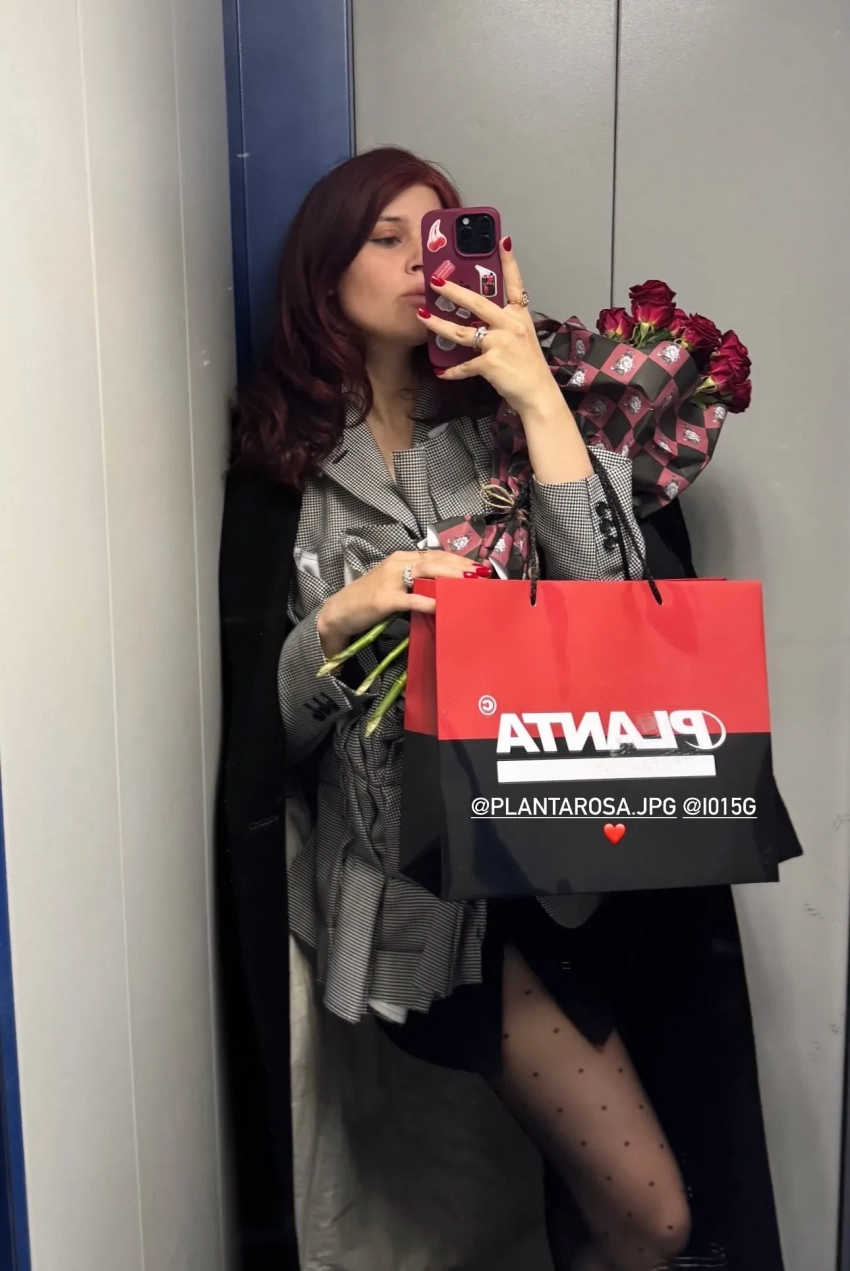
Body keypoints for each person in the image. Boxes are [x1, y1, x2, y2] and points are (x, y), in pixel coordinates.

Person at [227, 146, 785, 1271]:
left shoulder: (502, 422)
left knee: (593, 1200)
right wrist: (343, 618)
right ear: (323, 265)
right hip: (429, 895)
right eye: (385, 237)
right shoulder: (290, 468)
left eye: (439, 236)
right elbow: (267, 739)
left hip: (582, 845)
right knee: (654, 1215)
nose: (418, 260)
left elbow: (618, 610)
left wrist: (533, 388)